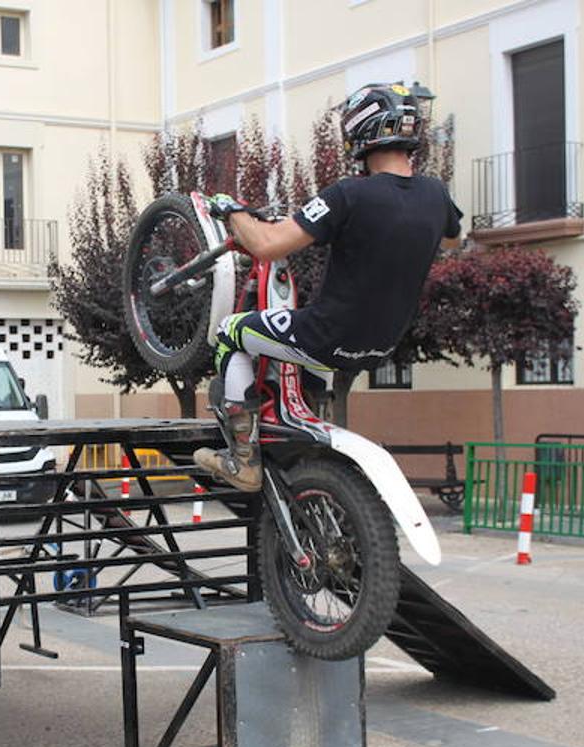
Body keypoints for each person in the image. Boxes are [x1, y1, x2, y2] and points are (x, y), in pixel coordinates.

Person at [194, 82, 463, 492]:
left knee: (232, 333)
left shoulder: (349, 194)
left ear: (359, 134)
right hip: (380, 345)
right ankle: (304, 432)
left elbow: (266, 245)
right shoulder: (436, 196)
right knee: (307, 351)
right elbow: (451, 239)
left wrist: (233, 211)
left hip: (327, 334)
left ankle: (243, 460)